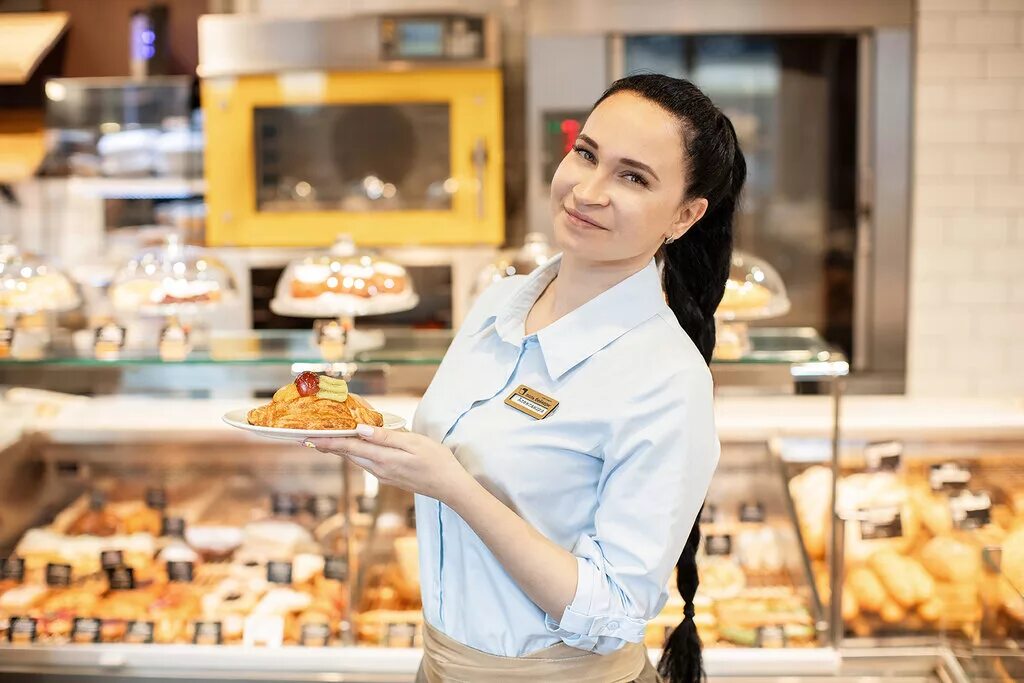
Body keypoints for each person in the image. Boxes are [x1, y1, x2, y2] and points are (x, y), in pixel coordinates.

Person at [308, 73, 746, 683]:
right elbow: (471, 446)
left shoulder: (668, 378)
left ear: (685, 215)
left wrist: (453, 486)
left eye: (633, 177)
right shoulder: (499, 301)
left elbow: (613, 613)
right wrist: (374, 435)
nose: (588, 190)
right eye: (586, 154)